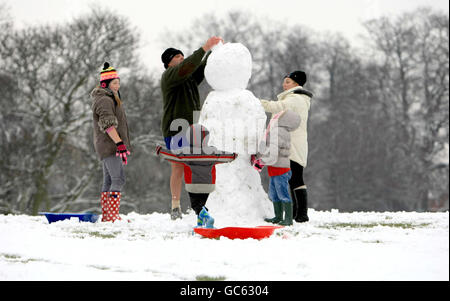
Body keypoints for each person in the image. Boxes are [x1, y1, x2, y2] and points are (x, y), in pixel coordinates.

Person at [160, 36, 223, 220]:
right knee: (178, 167)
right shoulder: (170, 77)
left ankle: (198, 207)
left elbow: (201, 67)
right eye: (177, 57)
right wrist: (204, 47)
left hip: (193, 130)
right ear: (169, 63)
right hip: (176, 129)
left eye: (182, 55)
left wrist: (215, 51)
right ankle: (175, 206)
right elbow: (188, 65)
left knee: (196, 168)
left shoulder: (187, 79)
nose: (181, 58)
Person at [156, 124, 236, 228]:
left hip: (193, 185)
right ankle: (201, 224)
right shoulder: (212, 152)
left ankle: (206, 217)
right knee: (201, 205)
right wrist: (233, 155)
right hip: (208, 185)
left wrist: (160, 150)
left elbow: (173, 156)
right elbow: (224, 156)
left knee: (195, 206)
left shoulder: (186, 152)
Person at [259, 71, 313, 223]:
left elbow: (276, 106)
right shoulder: (298, 98)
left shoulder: (295, 99)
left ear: (297, 84)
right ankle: (297, 213)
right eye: (284, 81)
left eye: (288, 82)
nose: (284, 84)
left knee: (295, 178)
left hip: (292, 145)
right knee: (292, 179)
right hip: (294, 144)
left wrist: (256, 102)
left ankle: (301, 214)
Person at [91, 62, 131, 222]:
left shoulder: (110, 98)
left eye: (118, 82)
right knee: (118, 179)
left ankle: (108, 216)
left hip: (109, 145)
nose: (118, 85)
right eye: (115, 83)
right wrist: (120, 144)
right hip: (110, 145)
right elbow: (108, 125)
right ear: (105, 84)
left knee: (109, 180)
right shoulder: (104, 100)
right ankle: (112, 216)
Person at [252, 110, 301, 226]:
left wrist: (261, 161)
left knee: (282, 193)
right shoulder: (281, 131)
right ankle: (278, 216)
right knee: (274, 194)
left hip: (280, 169)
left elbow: (273, 154)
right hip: (276, 169)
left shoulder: (277, 132)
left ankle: (288, 219)